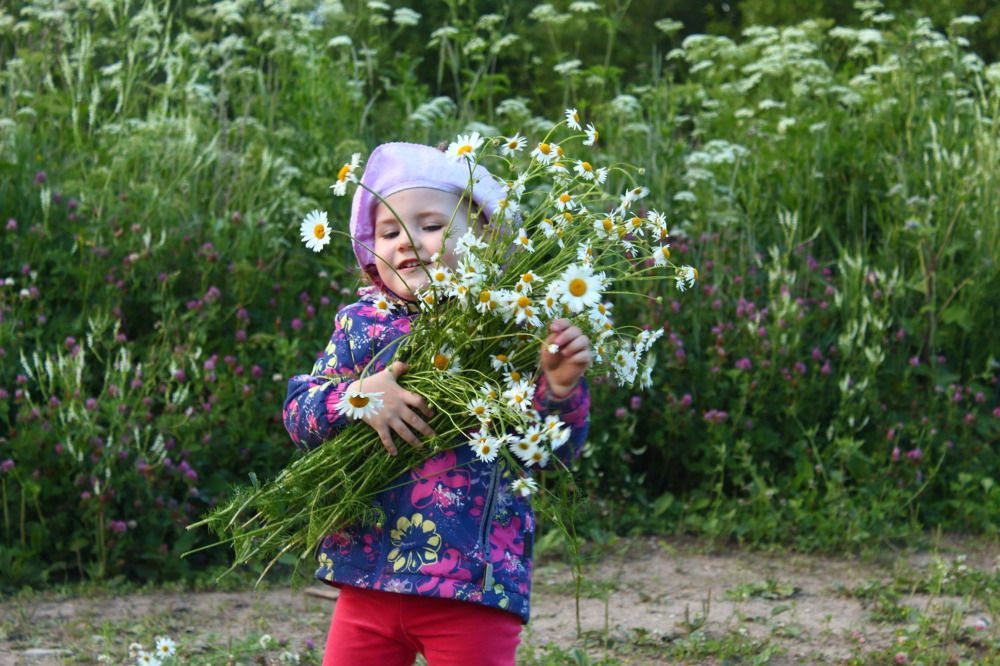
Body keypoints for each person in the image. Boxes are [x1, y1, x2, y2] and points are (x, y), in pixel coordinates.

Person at [283, 142, 592, 666]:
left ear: (485, 240)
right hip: (367, 576)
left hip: (472, 584)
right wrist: (359, 396)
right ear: (371, 252)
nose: (408, 241)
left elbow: (550, 456)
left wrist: (559, 389)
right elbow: (299, 415)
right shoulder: (361, 325)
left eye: (431, 225)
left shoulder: (511, 331)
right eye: (389, 232)